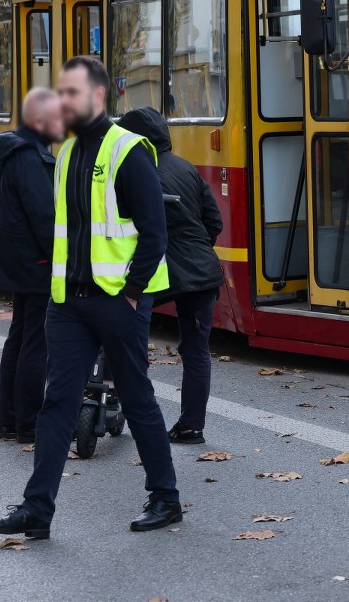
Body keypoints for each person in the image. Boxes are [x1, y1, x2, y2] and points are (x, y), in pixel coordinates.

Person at [0, 56, 180, 539]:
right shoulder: (66, 152)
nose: (63, 101)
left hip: (118, 301)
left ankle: (166, 497)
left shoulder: (128, 150)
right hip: (68, 303)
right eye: (60, 92)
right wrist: (58, 294)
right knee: (57, 405)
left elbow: (155, 232)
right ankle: (36, 510)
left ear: (99, 96)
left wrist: (132, 292)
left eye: (72, 93)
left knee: (136, 398)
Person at [118, 106, 223, 445]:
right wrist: (196, 251)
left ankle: (124, 410)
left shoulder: (134, 170)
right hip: (201, 271)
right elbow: (214, 223)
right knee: (196, 350)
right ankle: (192, 426)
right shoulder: (186, 168)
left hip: (154, 272)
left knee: (124, 340)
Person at [0, 88, 65, 444]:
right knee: (36, 341)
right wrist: (61, 259)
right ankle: (28, 422)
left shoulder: (14, 152)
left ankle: (9, 420)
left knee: (19, 337)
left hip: (17, 258)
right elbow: (44, 217)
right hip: (36, 260)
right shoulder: (31, 158)